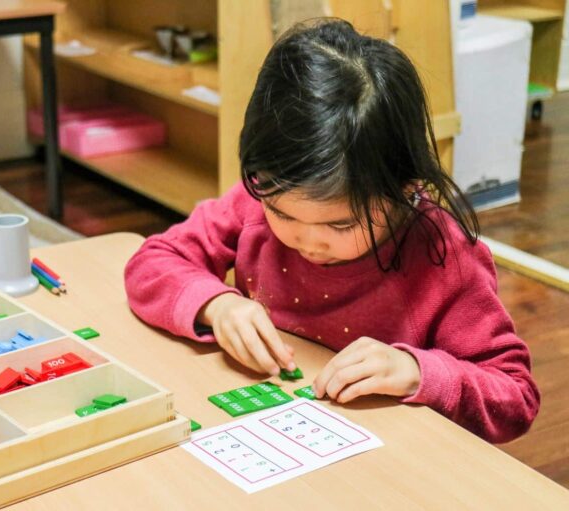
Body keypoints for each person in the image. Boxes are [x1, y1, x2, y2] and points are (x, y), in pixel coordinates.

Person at [124, 19, 539, 443]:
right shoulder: (259, 200)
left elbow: (515, 396)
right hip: (282, 438)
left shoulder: (445, 258)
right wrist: (218, 305)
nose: (307, 241)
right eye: (282, 215)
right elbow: (153, 262)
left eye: (341, 224)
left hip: (393, 460)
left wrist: (418, 373)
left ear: (407, 187)